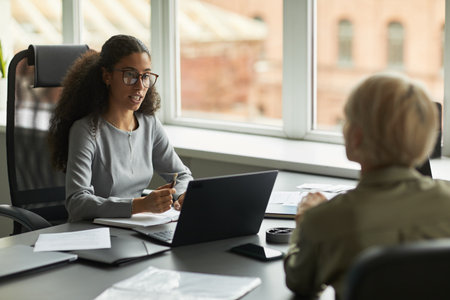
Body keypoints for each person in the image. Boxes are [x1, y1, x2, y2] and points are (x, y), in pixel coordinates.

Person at [284, 72, 450, 299]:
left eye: (347, 119)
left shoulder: (323, 221)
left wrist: (304, 225)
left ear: (357, 137)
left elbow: (300, 282)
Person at [48, 34, 193, 222]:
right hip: (94, 234)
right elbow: (77, 202)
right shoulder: (86, 130)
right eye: (130, 75)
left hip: (135, 229)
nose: (140, 86)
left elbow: (182, 174)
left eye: (146, 76)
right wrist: (139, 205)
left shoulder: (149, 124)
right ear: (107, 76)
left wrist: (179, 195)